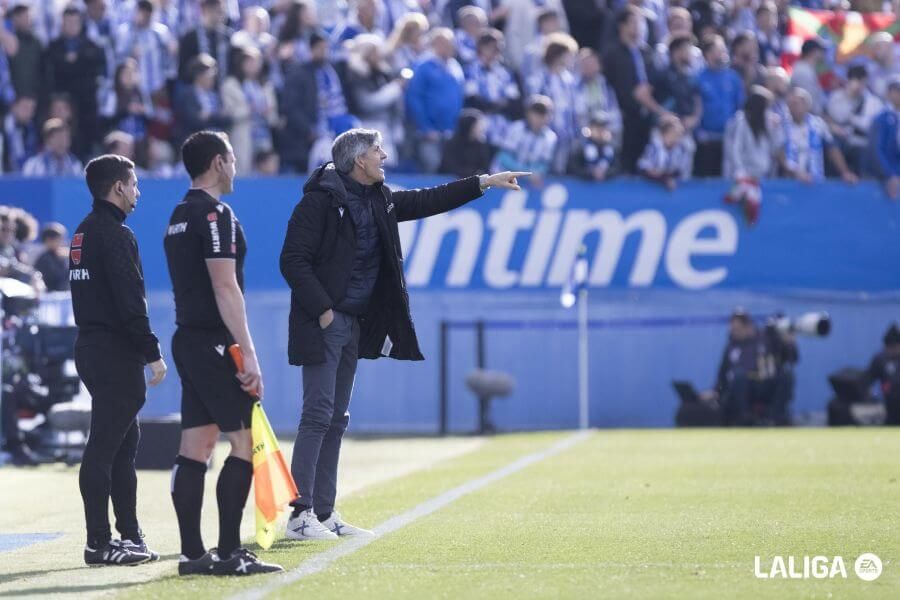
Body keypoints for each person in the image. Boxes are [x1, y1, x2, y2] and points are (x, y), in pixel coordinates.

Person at [279, 128, 526, 540]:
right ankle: (299, 515)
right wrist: (324, 311)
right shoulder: (317, 202)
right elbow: (292, 261)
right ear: (358, 160)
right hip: (326, 322)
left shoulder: (379, 197)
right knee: (318, 415)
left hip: (353, 323)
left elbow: (429, 199)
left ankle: (323, 511)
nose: (384, 155)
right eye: (377, 150)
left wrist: (483, 182)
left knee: (337, 419)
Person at [164, 131, 283, 576]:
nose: (236, 167)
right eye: (232, 159)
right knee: (243, 443)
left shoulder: (179, 214)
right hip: (213, 343)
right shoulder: (215, 214)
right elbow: (225, 286)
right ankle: (230, 553)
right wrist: (248, 353)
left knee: (195, 446)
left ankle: (193, 555)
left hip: (188, 340)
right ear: (218, 162)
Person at [70, 154, 167, 566]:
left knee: (124, 445)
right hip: (114, 353)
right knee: (106, 447)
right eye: (134, 183)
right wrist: (152, 352)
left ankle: (129, 535)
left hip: (92, 348)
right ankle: (99, 543)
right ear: (118, 187)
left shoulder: (83, 231)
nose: (137, 191)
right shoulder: (115, 234)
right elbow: (131, 302)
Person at [405, 27, 465, 173]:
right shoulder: (423, 66)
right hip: (429, 133)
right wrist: (425, 127)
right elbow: (414, 98)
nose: (452, 47)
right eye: (447, 44)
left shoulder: (455, 66)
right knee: (432, 168)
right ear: (436, 44)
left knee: (449, 171)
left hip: (450, 131)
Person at [723, 87, 783, 224]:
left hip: (761, 175)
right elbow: (735, 149)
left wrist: (777, 128)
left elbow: (775, 146)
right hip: (742, 175)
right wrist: (740, 172)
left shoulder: (768, 122)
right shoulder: (740, 121)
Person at [781, 87, 856, 184]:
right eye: (789, 104)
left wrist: (844, 172)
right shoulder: (782, 125)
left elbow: (832, 149)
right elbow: (778, 152)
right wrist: (796, 173)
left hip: (815, 181)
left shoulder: (818, 124)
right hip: (788, 182)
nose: (792, 108)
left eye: (795, 104)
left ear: (806, 106)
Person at [491, 95, 557, 187]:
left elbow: (544, 164)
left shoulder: (550, 137)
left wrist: (534, 174)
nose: (538, 116)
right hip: (503, 178)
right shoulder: (516, 128)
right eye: (536, 112)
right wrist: (525, 173)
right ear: (528, 113)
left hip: (528, 183)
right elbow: (503, 157)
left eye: (543, 113)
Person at [637, 114, 694, 190]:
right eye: (674, 134)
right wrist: (664, 179)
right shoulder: (653, 147)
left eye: (679, 135)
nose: (677, 138)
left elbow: (681, 171)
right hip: (647, 188)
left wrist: (668, 177)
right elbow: (644, 168)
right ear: (664, 134)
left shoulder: (681, 149)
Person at [869, 77, 900, 198]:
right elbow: (876, 149)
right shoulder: (881, 119)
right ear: (889, 93)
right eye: (897, 91)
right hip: (888, 175)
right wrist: (889, 174)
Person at [439, 108, 493, 176]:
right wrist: (473, 174)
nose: (482, 129)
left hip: (475, 180)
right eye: (478, 125)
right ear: (469, 126)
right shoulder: (451, 144)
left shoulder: (481, 145)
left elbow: (485, 169)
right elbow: (449, 168)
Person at [865, 323, 900, 425]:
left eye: (894, 347)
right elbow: (868, 380)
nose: (890, 350)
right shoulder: (880, 360)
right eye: (888, 347)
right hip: (890, 405)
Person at [34, 222, 70, 292]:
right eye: (58, 239)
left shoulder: (63, 256)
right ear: (48, 240)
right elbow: (56, 280)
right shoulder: (44, 259)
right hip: (50, 295)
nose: (62, 242)